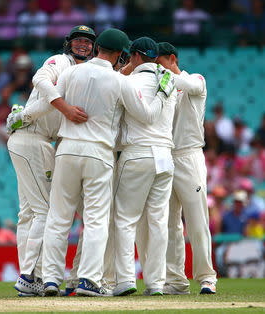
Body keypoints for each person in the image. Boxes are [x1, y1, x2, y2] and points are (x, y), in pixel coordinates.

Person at [29, 29, 172, 297]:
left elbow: (51, 98)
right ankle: (88, 280)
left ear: (97, 49)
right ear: (120, 55)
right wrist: (162, 93)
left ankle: (50, 279)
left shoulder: (71, 72)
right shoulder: (120, 81)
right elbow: (145, 115)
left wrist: (57, 112)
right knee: (95, 219)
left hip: (67, 149)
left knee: (59, 216)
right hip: (99, 154)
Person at [7, 25, 96, 297]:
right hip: (32, 140)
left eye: (88, 42)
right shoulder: (59, 61)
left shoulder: (86, 74)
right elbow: (40, 82)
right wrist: (60, 110)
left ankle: (32, 278)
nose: (83, 45)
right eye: (79, 40)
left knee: (29, 214)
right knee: (45, 211)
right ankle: (29, 275)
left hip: (35, 140)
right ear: (69, 43)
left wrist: (25, 115)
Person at [110, 37, 177, 297]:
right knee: (158, 221)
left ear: (135, 56)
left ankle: (126, 280)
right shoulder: (168, 82)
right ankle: (156, 283)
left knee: (125, 219)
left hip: (137, 154)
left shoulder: (128, 82)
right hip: (165, 156)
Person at [156, 42, 217, 295]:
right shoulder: (160, 87)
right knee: (169, 223)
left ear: (172, 59)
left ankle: (206, 277)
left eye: (158, 64)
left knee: (197, 220)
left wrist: (158, 75)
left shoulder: (195, 80)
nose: (155, 71)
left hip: (189, 156)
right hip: (164, 155)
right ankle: (175, 281)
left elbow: (188, 85)